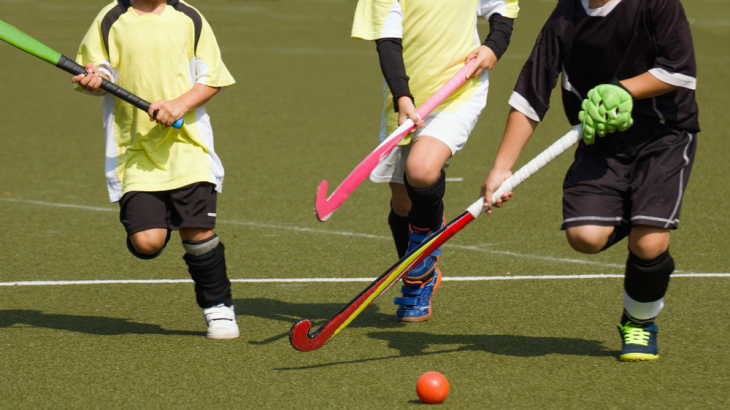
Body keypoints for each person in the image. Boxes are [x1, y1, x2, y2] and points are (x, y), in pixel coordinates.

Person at [482, 0, 699, 361]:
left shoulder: (656, 4)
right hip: (601, 142)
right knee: (585, 238)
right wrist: (501, 169)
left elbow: (680, 71)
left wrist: (623, 89)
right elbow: (530, 95)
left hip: (663, 136)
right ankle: (647, 222)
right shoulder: (565, 15)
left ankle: (640, 322)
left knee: (647, 243)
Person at [72, 0, 239, 339]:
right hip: (134, 149)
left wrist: (180, 103)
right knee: (147, 243)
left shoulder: (188, 18)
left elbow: (213, 78)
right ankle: (151, 226)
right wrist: (96, 80)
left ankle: (219, 309)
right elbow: (97, 70)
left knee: (197, 231)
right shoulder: (111, 19)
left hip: (187, 146)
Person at [351, 0, 520, 322]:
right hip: (405, 100)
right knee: (402, 203)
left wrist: (493, 46)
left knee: (422, 170)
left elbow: (502, 6)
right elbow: (387, 42)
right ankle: (422, 272)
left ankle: (416, 278)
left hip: (459, 90)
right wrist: (403, 95)